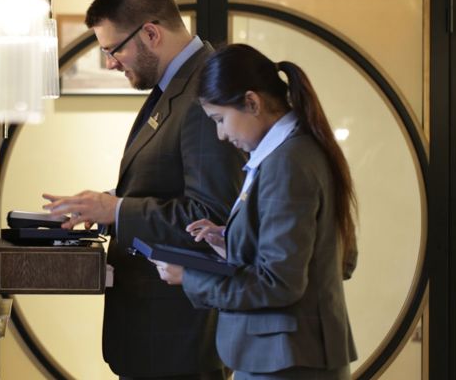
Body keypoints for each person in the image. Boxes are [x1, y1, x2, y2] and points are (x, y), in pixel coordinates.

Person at [43, 0, 244, 380]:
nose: (110, 63)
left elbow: (210, 217)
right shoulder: (173, 89)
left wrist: (117, 210)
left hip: (177, 335)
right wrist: (102, 207)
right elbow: (162, 186)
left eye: (113, 50)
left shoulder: (203, 93)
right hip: (154, 333)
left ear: (150, 33)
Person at [151, 43, 359, 379]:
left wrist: (190, 277)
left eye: (220, 119)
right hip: (290, 355)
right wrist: (232, 241)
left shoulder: (287, 162)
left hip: (286, 361)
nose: (220, 134)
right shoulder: (295, 151)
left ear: (252, 102)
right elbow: (334, 259)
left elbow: (279, 283)